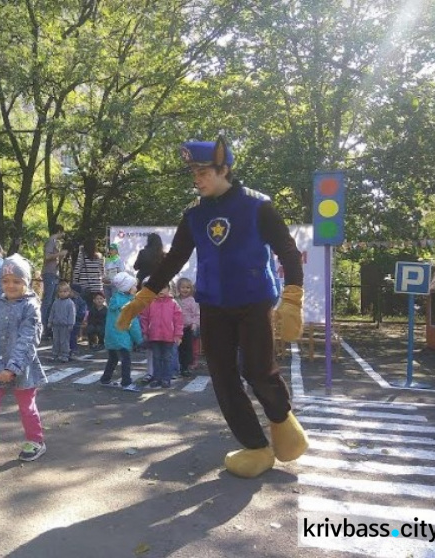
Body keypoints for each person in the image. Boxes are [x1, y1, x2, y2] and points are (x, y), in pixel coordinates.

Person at [117, 136, 306, 479]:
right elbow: (174, 259)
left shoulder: (257, 205)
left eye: (203, 170)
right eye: (193, 171)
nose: (196, 177)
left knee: (258, 369)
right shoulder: (194, 214)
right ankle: (255, 446)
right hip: (213, 303)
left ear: (224, 168)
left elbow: (288, 252)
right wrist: (143, 296)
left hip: (253, 300)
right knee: (222, 376)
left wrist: (292, 298)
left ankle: (281, 421)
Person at [0, 254, 48, 473]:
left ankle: (36, 440)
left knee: (26, 406)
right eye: (6, 281)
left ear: (27, 282)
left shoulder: (31, 307)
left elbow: (28, 339)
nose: (10, 285)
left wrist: (13, 368)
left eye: (16, 281)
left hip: (22, 369)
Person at [100, 272, 143, 392]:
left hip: (111, 335)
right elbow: (133, 324)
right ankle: (126, 383)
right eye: (134, 286)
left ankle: (105, 379)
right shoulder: (128, 304)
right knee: (126, 360)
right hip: (122, 336)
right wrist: (139, 340)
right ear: (127, 288)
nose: (136, 288)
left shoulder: (114, 299)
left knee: (113, 358)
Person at [139, 284, 183, 389]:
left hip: (169, 336)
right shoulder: (150, 302)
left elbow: (179, 321)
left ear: (168, 289)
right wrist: (145, 332)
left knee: (167, 358)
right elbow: (144, 318)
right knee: (156, 358)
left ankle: (166, 379)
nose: (161, 290)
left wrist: (178, 335)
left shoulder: (173, 304)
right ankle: (157, 378)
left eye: (163, 288)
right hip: (154, 336)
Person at [41, 225, 68, 334]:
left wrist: (60, 256)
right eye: (63, 232)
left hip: (54, 274)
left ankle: (48, 327)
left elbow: (54, 258)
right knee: (47, 301)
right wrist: (60, 254)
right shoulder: (51, 241)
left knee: (52, 300)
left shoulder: (55, 242)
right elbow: (47, 257)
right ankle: (43, 326)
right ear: (59, 231)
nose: (63, 235)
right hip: (49, 273)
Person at [175, 277, 200, 376]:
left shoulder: (192, 301)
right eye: (183, 287)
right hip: (176, 328)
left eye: (188, 288)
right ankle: (178, 366)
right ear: (178, 288)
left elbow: (196, 314)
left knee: (187, 348)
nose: (185, 290)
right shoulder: (175, 300)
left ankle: (185, 367)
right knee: (177, 348)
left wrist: (195, 323)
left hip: (187, 328)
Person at [48, 281, 76, 362]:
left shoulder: (70, 303)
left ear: (69, 292)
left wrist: (71, 324)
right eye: (60, 291)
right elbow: (52, 312)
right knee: (56, 340)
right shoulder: (56, 302)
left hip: (65, 325)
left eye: (65, 291)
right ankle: (55, 354)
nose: (62, 293)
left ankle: (65, 355)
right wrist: (50, 321)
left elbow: (72, 314)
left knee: (64, 341)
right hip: (56, 325)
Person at [73, 238, 104, 309]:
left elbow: (77, 269)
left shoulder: (83, 256)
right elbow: (102, 271)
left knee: (85, 307)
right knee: (97, 307)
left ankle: (87, 320)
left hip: (85, 286)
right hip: (97, 286)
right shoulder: (99, 256)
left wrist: (75, 282)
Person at [69, 284, 88, 358]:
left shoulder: (80, 301)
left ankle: (73, 350)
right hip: (67, 322)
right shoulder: (67, 299)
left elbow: (82, 312)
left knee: (72, 336)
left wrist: (76, 316)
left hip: (75, 322)